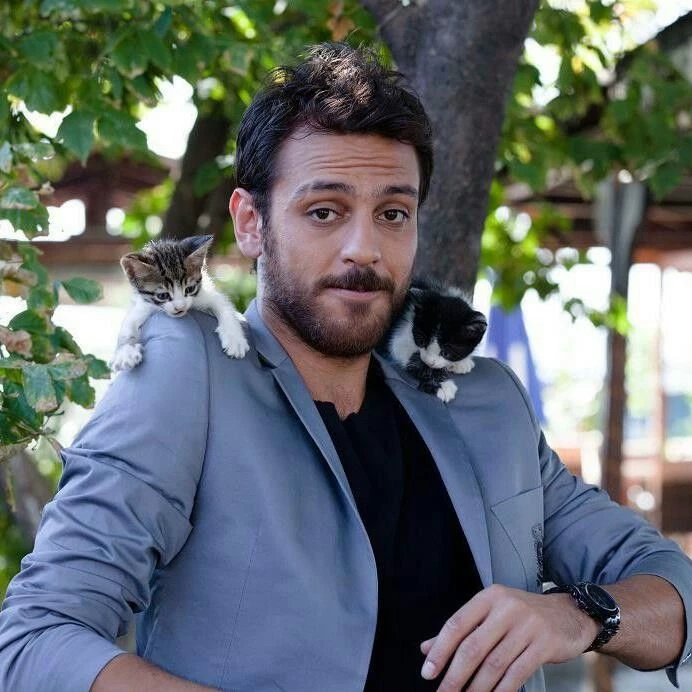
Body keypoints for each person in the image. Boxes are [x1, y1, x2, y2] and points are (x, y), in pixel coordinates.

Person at [0, 42, 690, 692]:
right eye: (325, 211)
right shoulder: (188, 376)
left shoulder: (488, 403)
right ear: (250, 223)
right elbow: (36, 638)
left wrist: (578, 614)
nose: (365, 247)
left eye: (393, 213)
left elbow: (673, 589)